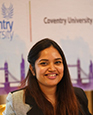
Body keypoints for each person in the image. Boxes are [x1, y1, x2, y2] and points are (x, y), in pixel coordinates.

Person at [3, 38, 91, 115]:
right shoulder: (17, 101)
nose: (52, 68)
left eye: (57, 62)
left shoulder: (78, 95)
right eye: (44, 63)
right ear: (32, 69)